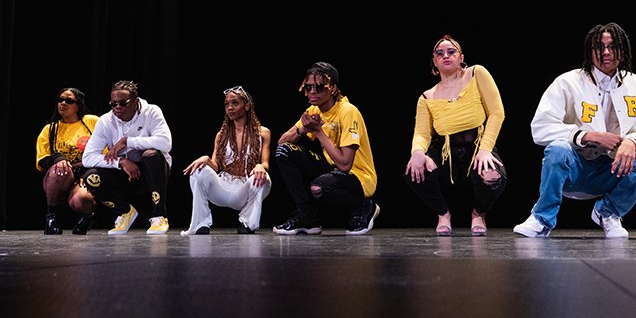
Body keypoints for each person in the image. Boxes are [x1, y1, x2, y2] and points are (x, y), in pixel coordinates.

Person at [514, 22, 636, 239]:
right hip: (575, 168)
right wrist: (586, 135)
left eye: (612, 46)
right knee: (557, 149)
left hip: (613, 169)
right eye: (599, 47)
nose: (606, 52)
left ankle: (608, 212)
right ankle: (541, 218)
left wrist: (632, 142)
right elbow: (540, 127)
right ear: (589, 51)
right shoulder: (568, 82)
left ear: (623, 50)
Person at [404, 35, 507, 237]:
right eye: (439, 53)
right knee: (413, 171)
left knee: (493, 177)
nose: (446, 55)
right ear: (434, 61)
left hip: (478, 146)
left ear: (461, 57)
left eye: (451, 51)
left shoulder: (476, 73)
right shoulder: (427, 97)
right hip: (446, 153)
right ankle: (443, 214)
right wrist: (417, 152)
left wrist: (486, 149)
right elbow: (422, 133)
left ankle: (478, 214)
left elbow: (497, 112)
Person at [272, 62, 380, 235]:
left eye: (319, 87)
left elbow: (345, 164)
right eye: (308, 87)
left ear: (333, 88)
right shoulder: (314, 110)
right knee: (284, 151)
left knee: (319, 187)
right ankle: (307, 216)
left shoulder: (348, 111)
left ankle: (364, 206)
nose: (312, 92)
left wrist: (318, 132)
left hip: (359, 175)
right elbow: (282, 141)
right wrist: (304, 129)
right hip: (333, 169)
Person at [82, 80, 173, 235]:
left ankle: (159, 215)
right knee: (90, 177)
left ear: (135, 102)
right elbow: (88, 157)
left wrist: (128, 142)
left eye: (123, 103)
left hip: (152, 173)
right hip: (124, 174)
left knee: (151, 155)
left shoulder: (151, 111)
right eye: (113, 103)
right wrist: (121, 162)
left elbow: (165, 143)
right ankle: (124, 212)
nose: (117, 107)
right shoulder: (105, 120)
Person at [180, 86, 272, 235]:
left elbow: (265, 163)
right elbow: (215, 166)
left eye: (235, 103)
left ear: (247, 106)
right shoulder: (221, 135)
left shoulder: (263, 133)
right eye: (227, 104)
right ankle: (200, 224)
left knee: (262, 178)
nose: (230, 107)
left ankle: (247, 223)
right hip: (223, 187)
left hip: (245, 188)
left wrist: (260, 166)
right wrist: (206, 159)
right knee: (199, 171)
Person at [35, 87, 99, 235]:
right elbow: (41, 160)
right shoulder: (50, 129)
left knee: (82, 199)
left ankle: (87, 217)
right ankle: (51, 216)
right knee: (60, 168)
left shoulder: (91, 122)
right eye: (60, 100)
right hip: (58, 176)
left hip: (84, 173)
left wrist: (87, 173)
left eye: (69, 101)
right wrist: (59, 158)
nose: (63, 103)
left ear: (78, 106)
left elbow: (103, 153)